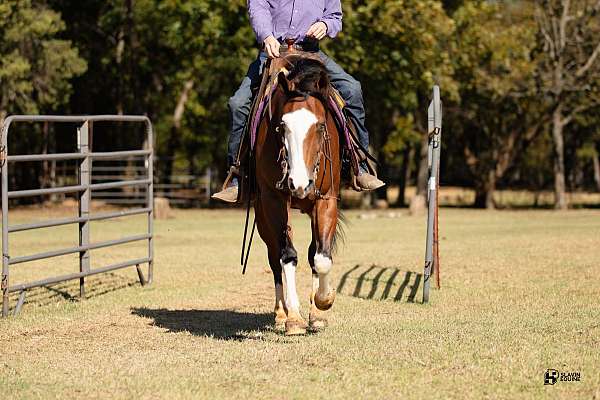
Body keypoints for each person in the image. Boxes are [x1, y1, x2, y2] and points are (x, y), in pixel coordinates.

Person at [212, 0, 385, 203]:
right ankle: (238, 177)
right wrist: (267, 36)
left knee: (352, 89)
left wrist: (326, 25)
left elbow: (335, 17)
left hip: (311, 54)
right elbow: (257, 9)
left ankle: (359, 166)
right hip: (273, 54)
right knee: (238, 104)